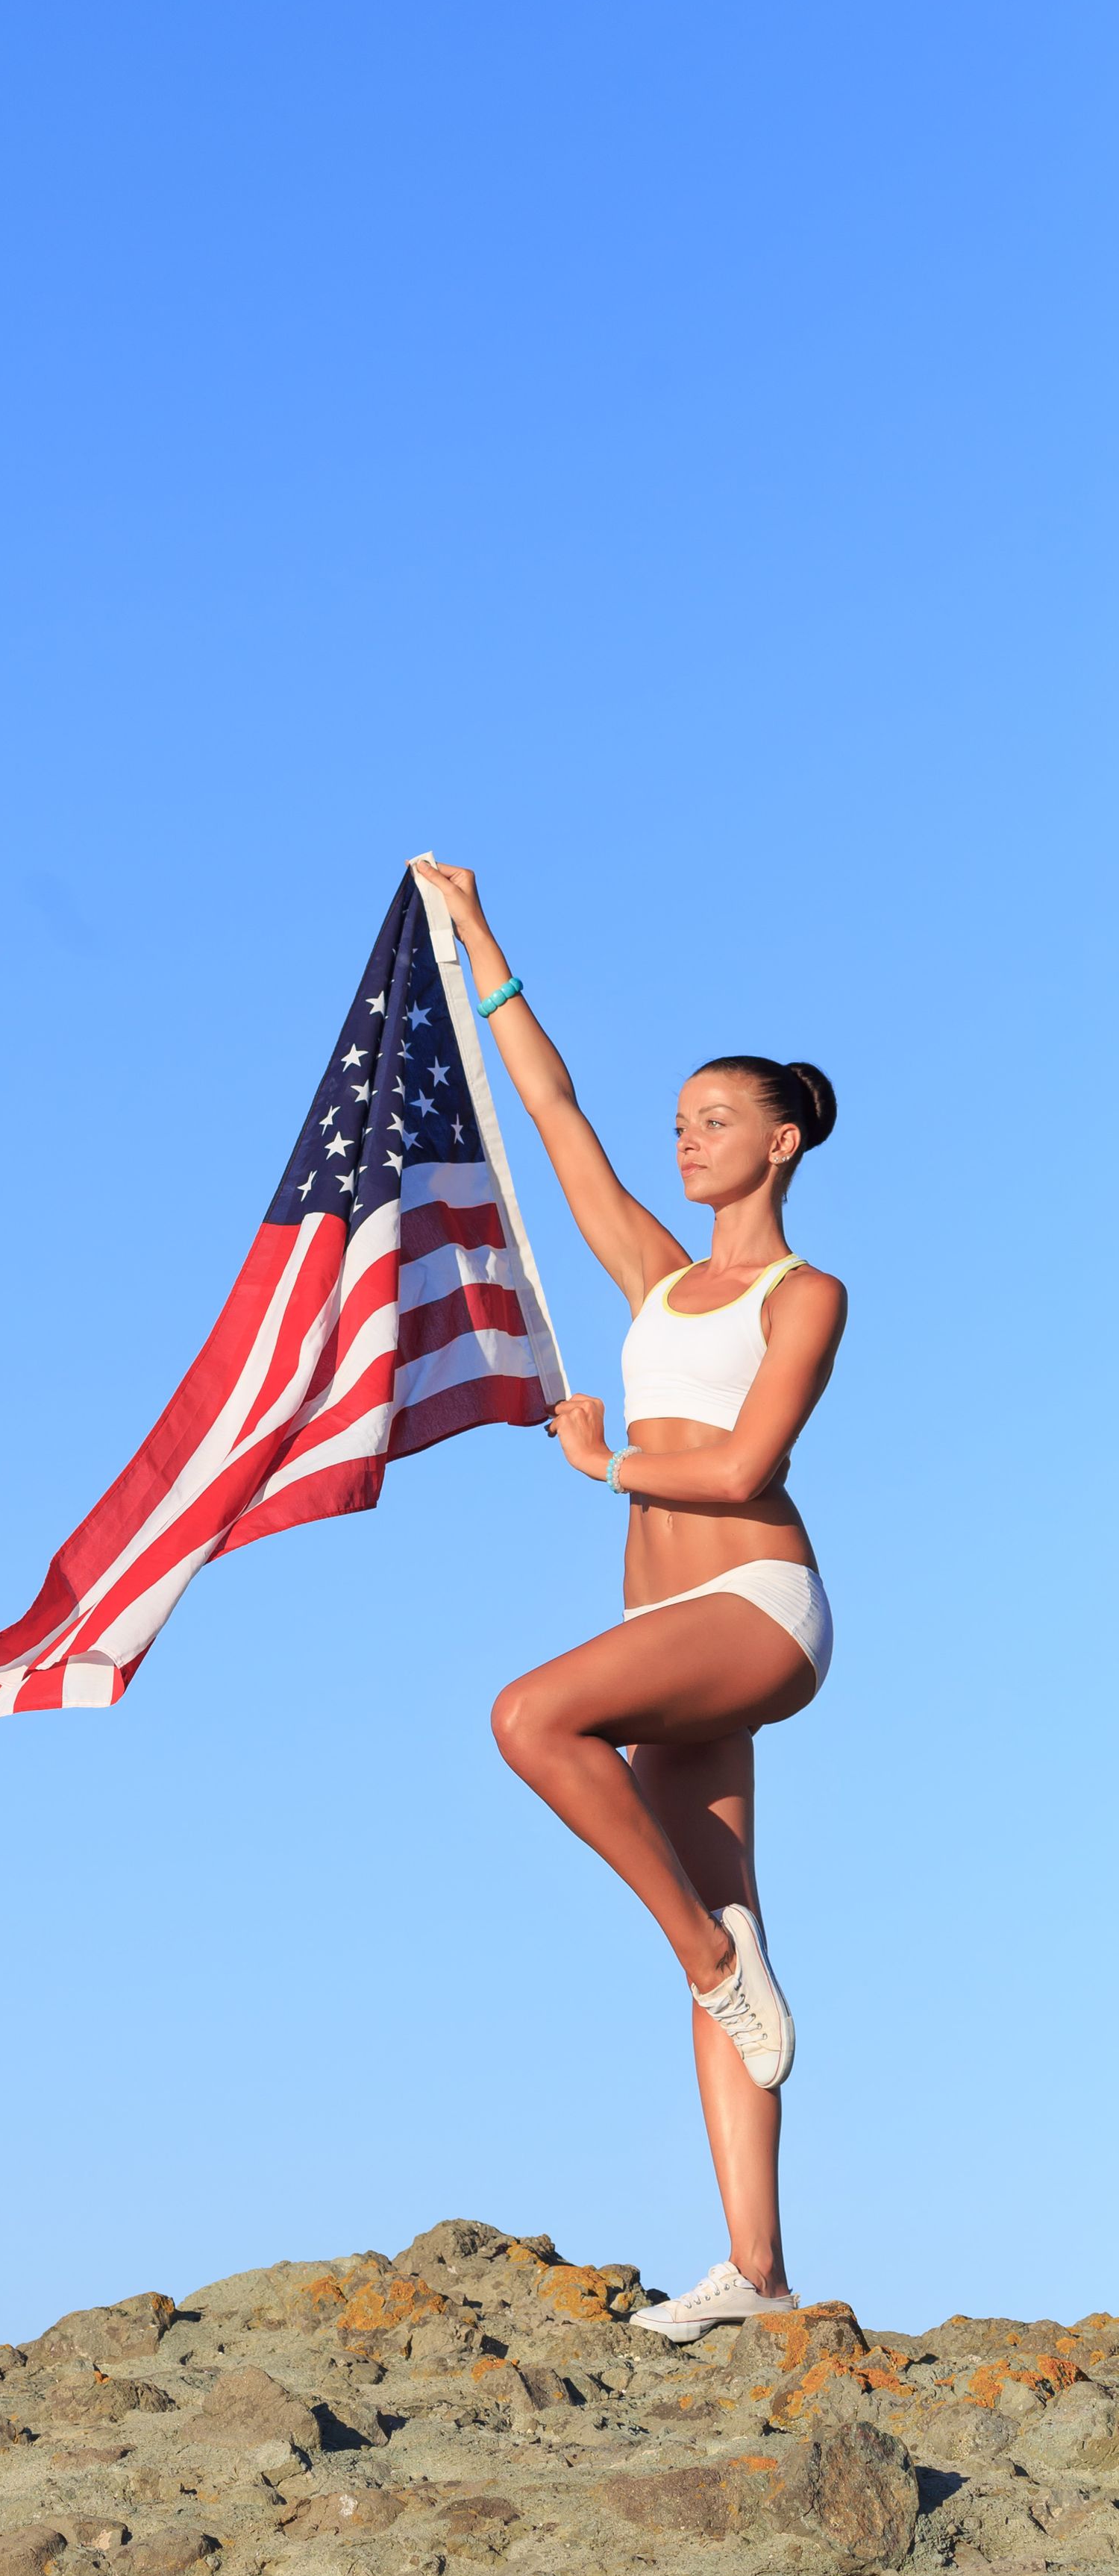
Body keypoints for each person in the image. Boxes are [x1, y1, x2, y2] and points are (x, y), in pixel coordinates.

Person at [414, 864, 846, 2340]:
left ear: (781, 1141)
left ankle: (710, 1959)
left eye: (716, 1121)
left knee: (531, 1715)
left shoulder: (805, 1293)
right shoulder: (656, 1281)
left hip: (758, 1609)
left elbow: (746, 1460)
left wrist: (602, 1461)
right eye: (679, 1124)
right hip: (681, 1642)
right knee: (728, 1904)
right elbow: (554, 1115)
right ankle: (758, 2275)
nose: (686, 1142)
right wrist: (476, 935)